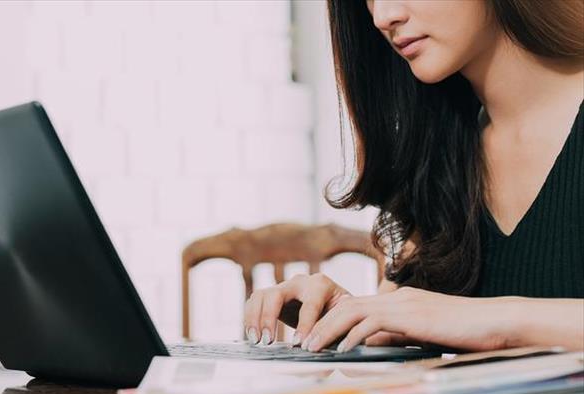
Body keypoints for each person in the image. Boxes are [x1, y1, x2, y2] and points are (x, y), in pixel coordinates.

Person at [244, 0, 584, 354]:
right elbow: (415, 315)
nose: (382, 16)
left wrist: (498, 323)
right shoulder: (441, 158)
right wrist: (345, 317)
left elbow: (454, 318)